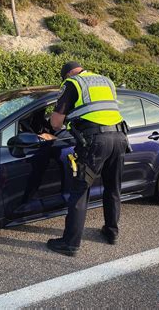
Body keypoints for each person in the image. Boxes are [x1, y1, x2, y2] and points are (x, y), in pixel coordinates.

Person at [46, 61, 129, 256]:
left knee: (80, 191)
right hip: (119, 138)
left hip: (95, 142)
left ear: (66, 75)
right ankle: (112, 232)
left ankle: (70, 243)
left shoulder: (72, 83)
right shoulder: (106, 81)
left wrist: (57, 122)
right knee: (113, 187)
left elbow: (56, 123)